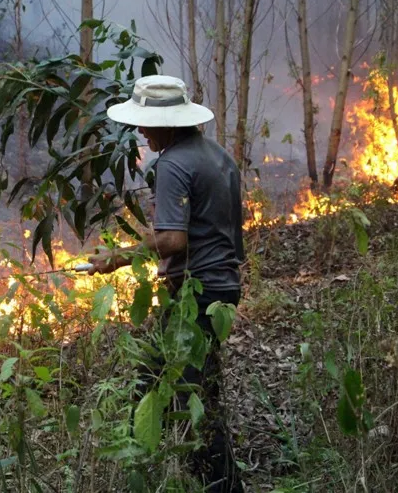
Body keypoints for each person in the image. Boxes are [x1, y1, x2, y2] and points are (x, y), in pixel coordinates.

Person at [87, 75, 245, 492]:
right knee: (165, 381)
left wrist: (117, 258)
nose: (140, 130)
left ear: (169, 122)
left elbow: (174, 238)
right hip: (223, 288)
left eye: (146, 122)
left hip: (197, 293)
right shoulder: (218, 156)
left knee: (187, 395)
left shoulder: (172, 164)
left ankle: (217, 484)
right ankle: (160, 470)